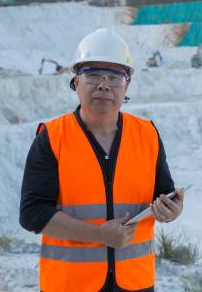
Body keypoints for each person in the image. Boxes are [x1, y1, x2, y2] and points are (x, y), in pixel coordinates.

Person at [19, 28, 184, 291]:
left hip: (135, 283)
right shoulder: (52, 138)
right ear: (75, 82)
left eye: (115, 76)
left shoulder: (147, 135)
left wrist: (171, 210)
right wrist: (98, 235)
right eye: (93, 74)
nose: (104, 84)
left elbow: (162, 194)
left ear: (127, 85)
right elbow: (32, 214)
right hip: (70, 285)